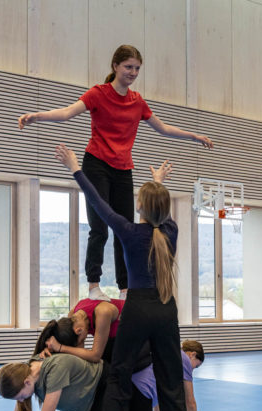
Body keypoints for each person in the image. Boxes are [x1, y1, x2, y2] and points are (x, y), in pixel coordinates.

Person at [19, 44, 212, 302]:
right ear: (115, 66)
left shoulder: (137, 101)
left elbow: (162, 128)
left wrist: (194, 136)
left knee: (126, 230)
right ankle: (94, 285)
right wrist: (37, 117)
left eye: (137, 68)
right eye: (128, 67)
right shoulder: (98, 94)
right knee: (99, 227)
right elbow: (67, 113)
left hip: (123, 168)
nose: (133, 72)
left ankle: (124, 287)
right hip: (96, 163)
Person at [54, 144, 194, 411]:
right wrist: (159, 182)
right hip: (165, 309)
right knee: (171, 382)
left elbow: (98, 203)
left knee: (119, 379)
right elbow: (162, 213)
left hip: (138, 310)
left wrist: (77, 168)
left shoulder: (130, 232)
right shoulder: (170, 232)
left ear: (141, 208)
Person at [139, 340, 210, 411]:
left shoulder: (171, 354)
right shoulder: (184, 359)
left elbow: (159, 396)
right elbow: (190, 403)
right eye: (196, 366)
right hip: (141, 394)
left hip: (138, 390)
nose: (192, 370)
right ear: (192, 354)